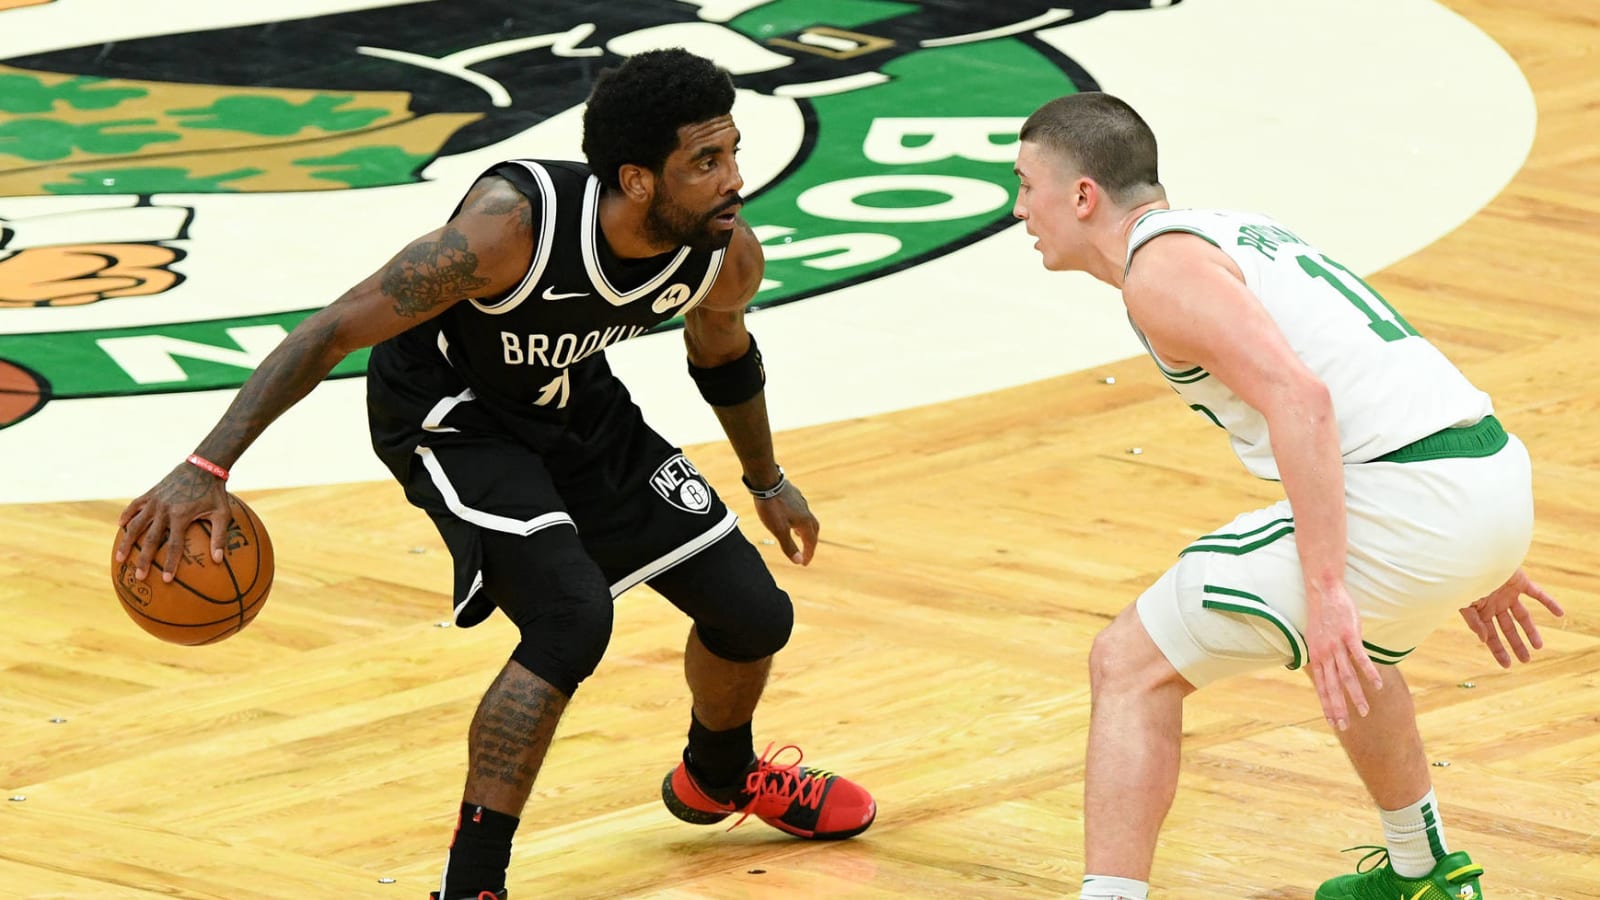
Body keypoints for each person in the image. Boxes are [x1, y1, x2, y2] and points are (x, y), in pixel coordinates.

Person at [113, 48, 876, 900]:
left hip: (573, 406)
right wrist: (206, 466)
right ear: (636, 179)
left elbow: (723, 352)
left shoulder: (720, 253)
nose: (735, 179)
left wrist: (767, 481)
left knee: (753, 614)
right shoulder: (510, 229)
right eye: (706, 162)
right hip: (452, 420)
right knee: (570, 620)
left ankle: (719, 777)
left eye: (732, 152)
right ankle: (471, 886)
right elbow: (332, 330)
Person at [1010, 92, 1564, 900]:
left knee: (1129, 663)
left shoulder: (1159, 274)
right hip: (1485, 470)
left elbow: (1302, 400)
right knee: (1350, 649)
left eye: (1027, 185)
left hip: (1417, 495)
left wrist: (1334, 582)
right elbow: (1375, 365)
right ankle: (1426, 875)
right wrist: (1474, 540)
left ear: (1084, 194)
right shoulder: (1229, 228)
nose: (1020, 209)